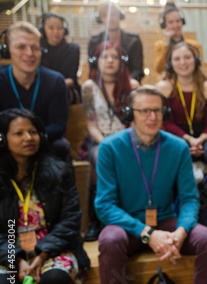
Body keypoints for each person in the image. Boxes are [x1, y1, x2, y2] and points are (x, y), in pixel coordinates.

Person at [95, 85, 207, 284]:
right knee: (108, 240)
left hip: (165, 221)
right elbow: (104, 204)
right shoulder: (109, 147)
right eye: (144, 111)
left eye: (157, 110)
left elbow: (189, 199)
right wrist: (147, 233)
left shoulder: (178, 147)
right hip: (127, 225)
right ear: (131, 113)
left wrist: (182, 230)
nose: (152, 117)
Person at [0, 109, 89, 284]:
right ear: (2, 138)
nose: (29, 138)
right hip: (7, 251)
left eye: (33, 132)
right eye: (19, 133)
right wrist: (16, 258)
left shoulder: (60, 172)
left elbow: (71, 220)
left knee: (55, 279)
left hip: (53, 248)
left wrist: (42, 254)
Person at [157, 42, 207, 229]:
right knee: (172, 153)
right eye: (177, 59)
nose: (183, 62)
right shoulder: (165, 87)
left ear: (195, 60)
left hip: (204, 134)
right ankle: (172, 211)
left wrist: (200, 139)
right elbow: (166, 123)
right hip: (176, 134)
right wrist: (188, 139)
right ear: (170, 63)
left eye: (187, 57)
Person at [81, 41, 139, 241]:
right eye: (105, 56)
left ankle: (133, 213)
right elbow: (91, 125)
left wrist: (123, 141)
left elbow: (135, 121)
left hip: (128, 138)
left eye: (114, 57)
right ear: (96, 61)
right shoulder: (89, 87)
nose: (110, 61)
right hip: (100, 139)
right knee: (99, 157)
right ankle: (95, 220)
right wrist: (107, 143)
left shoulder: (133, 85)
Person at [0, 21, 70, 161]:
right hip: (5, 143)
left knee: (61, 146)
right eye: (21, 47)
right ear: (7, 51)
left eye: (35, 48)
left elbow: (58, 125)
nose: (29, 53)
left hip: (43, 142)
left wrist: (32, 138)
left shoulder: (56, 81)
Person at [88, 1, 144, 83]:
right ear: (100, 19)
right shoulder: (94, 41)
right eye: (105, 16)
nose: (110, 19)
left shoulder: (134, 40)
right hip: (103, 87)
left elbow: (137, 71)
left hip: (129, 86)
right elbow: (93, 70)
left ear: (120, 16)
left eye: (113, 14)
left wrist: (125, 85)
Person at [39, 12, 81, 105]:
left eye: (59, 28)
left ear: (65, 30)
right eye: (51, 28)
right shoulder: (37, 50)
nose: (56, 32)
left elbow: (71, 80)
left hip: (65, 90)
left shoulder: (73, 49)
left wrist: (51, 88)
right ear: (42, 30)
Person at [154, 2, 201, 75]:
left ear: (182, 22)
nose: (175, 25)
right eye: (171, 22)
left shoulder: (193, 44)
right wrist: (166, 45)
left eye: (178, 21)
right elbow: (160, 69)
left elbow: (197, 68)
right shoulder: (160, 45)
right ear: (164, 25)